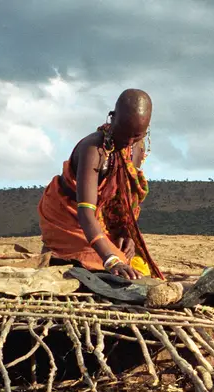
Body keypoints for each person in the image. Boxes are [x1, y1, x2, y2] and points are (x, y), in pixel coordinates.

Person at [38, 89, 163, 280]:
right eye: (124, 132)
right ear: (112, 118)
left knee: (138, 266)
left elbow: (123, 199)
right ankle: (59, 253)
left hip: (99, 219)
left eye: (137, 135)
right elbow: (85, 212)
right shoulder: (93, 150)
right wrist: (111, 260)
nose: (128, 141)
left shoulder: (136, 148)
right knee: (112, 266)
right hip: (68, 216)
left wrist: (125, 233)